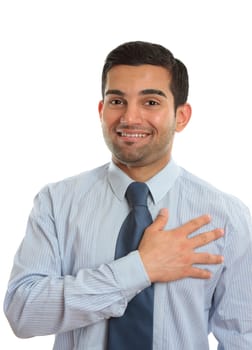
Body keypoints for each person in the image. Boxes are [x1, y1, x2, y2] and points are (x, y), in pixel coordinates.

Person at [4, 41, 252, 349]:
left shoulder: (227, 218)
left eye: (150, 103)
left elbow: (243, 338)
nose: (130, 118)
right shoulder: (57, 203)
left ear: (182, 116)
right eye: (117, 101)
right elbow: (23, 312)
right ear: (101, 110)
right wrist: (140, 269)